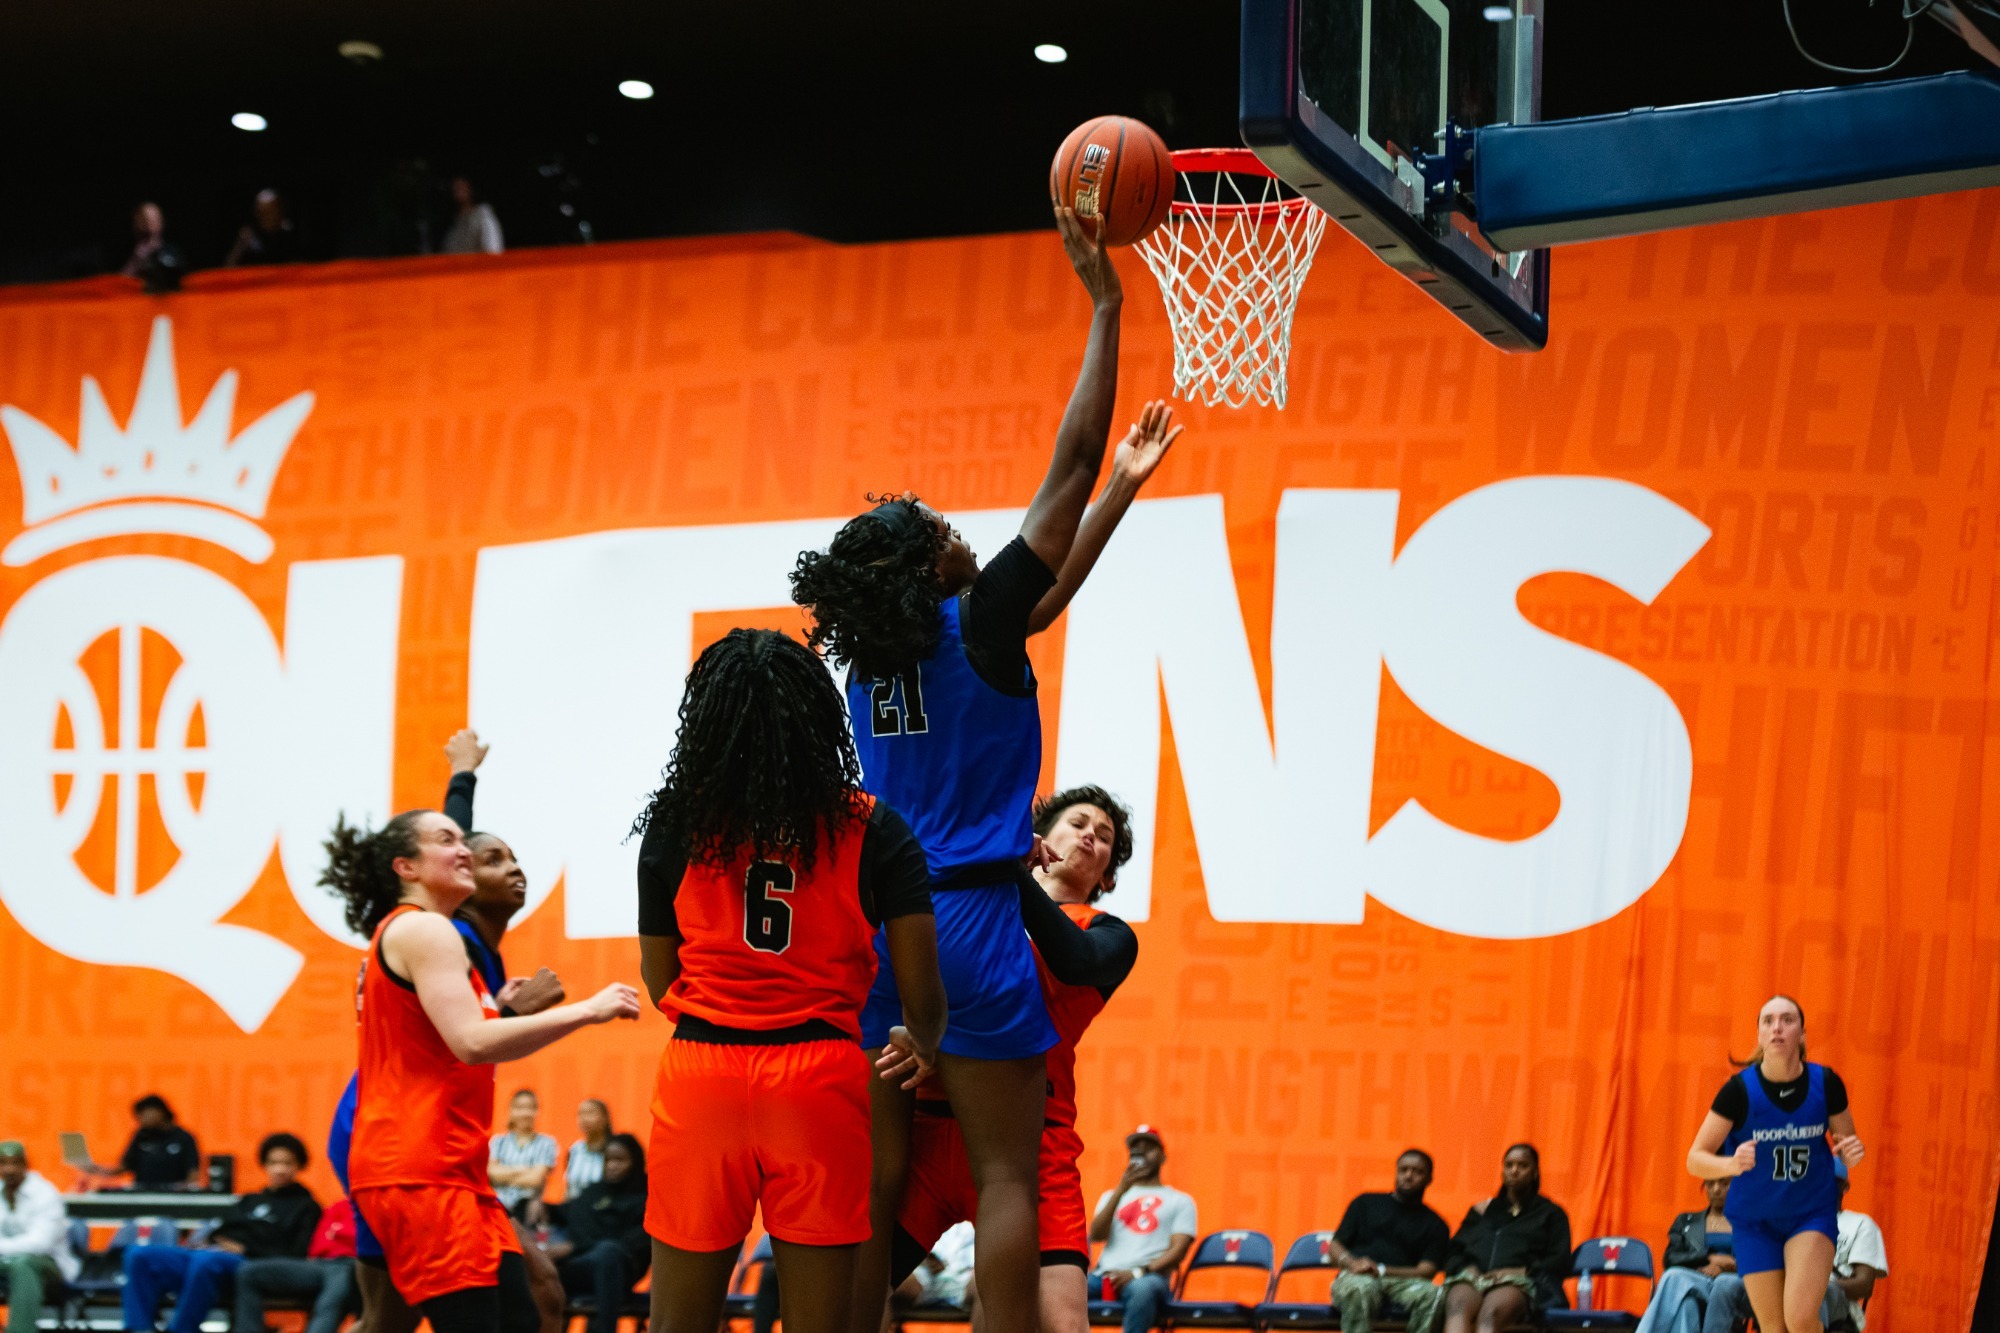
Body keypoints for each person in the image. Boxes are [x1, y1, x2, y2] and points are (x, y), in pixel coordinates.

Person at [790, 201, 1177, 1333]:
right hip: (968, 921)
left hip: (875, 930)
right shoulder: (975, 624)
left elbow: (1050, 590)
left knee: (869, 1193)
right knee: (1007, 1178)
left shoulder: (866, 666)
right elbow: (1064, 466)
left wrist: (1122, 492)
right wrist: (1103, 304)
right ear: (934, 558)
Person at [633, 628, 946, 1333]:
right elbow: (923, 992)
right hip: (819, 1079)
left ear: (709, 715)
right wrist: (922, 1036)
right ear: (818, 714)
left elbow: (660, 980)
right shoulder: (873, 826)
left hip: (701, 1071)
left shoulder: (678, 819)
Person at [323, 803, 640, 1333]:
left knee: (525, 1310)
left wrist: (503, 1010)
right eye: (448, 841)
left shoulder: (424, 935)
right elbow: (471, 1042)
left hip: (451, 1168)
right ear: (407, 867)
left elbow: (453, 1041)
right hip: (417, 1167)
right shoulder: (427, 933)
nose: (463, 849)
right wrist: (589, 1009)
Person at [328, 730, 569, 1333]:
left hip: (431, 1142)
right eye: (492, 858)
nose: (509, 867)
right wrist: (462, 777)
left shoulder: (465, 942)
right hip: (396, 1138)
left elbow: (441, 843)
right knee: (438, 1311)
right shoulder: (438, 930)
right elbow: (465, 1041)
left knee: (424, 1314)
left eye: (511, 857)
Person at [891, 786, 1144, 1333]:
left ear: (1106, 879)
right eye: (1078, 823)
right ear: (1041, 837)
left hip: (1036, 1143)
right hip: (931, 1132)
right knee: (845, 1295)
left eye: (1104, 838)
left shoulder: (1107, 936)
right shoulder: (963, 907)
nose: (1089, 837)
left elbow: (1074, 962)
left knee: (1062, 1326)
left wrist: (1005, 867)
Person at [1685, 995, 1865, 1333]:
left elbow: (1847, 1145)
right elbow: (1695, 1160)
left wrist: (1853, 1153)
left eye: (1787, 1019)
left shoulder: (1826, 1083)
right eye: (1768, 1021)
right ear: (1759, 1034)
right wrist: (1731, 1164)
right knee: (1772, 1326)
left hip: (1810, 1212)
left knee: (1799, 1319)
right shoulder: (1738, 1091)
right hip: (1755, 1220)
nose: (1777, 1027)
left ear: (1802, 1033)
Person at [123, 1134, 321, 1333]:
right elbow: (223, 1229)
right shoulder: (249, 1200)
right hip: (211, 1254)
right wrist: (204, 1241)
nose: (280, 1169)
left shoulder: (306, 1207)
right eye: (274, 1162)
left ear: (299, 1166)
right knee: (139, 1254)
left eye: (287, 1163)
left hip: (249, 1264)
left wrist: (246, 1249)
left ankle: (181, 1329)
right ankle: (141, 1328)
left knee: (206, 1261)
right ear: (265, 1164)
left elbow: (296, 1254)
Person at [1704, 1162, 1885, 1333]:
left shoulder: (1861, 1224)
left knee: (1809, 1292)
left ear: (1845, 1187)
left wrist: (1813, 1283)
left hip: (1832, 1294)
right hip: (1782, 1287)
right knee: (1725, 1284)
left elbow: (1864, 1286)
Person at [1439, 1144, 1572, 1333]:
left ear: (1535, 1172)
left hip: (1518, 1282)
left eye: (1522, 1165)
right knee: (1457, 1308)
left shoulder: (1551, 1214)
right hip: (1472, 1278)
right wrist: (1464, 1267)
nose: (1514, 1171)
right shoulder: (1482, 1210)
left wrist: (1522, 1271)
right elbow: (1453, 1251)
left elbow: (1560, 1260)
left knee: (1490, 1314)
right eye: (1509, 1165)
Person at [1323, 1150, 1451, 1333]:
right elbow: (1335, 1245)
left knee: (1436, 1295)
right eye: (1403, 1169)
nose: (1408, 1175)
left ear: (1429, 1179)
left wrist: (1381, 1270)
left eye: (1417, 1171)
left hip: (1403, 1283)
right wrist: (1352, 1263)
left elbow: (1427, 1270)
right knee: (1362, 1289)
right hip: (1359, 1276)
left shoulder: (1436, 1224)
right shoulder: (1365, 1203)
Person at [1086, 1126, 1198, 1333]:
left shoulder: (1180, 1200)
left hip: (1148, 1276)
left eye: (1149, 1148)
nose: (1142, 1153)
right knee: (1064, 1289)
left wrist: (1138, 1272)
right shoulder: (1112, 1195)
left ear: (1163, 1157)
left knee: (1142, 1290)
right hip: (1104, 1277)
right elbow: (1096, 1235)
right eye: (1136, 1150)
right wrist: (1121, 1189)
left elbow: (1178, 1251)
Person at [544, 1134, 648, 1333]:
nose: (612, 1166)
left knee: (608, 1252)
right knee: (534, 1264)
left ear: (635, 1162)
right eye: (608, 1160)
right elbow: (567, 1212)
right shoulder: (595, 1191)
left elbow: (629, 1244)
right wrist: (537, 1206)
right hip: (582, 1269)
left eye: (619, 1160)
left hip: (620, 1273)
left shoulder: (645, 1198)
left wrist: (575, 1247)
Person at [234, 1196, 359, 1333]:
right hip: (317, 1263)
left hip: (348, 1263)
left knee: (330, 1301)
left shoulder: (369, 1206)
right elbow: (320, 1240)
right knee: (250, 1271)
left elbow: (358, 1240)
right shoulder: (338, 1206)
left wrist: (337, 1232)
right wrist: (339, 1233)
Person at [1635, 1178, 1733, 1333]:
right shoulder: (1686, 1221)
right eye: (1710, 1184)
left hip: (1729, 1286)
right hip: (1694, 1281)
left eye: (1724, 1183)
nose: (1716, 1190)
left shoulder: (1748, 1223)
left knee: (1672, 1276)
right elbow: (1670, 1258)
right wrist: (1708, 1257)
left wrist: (1728, 1266)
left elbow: (1761, 1261)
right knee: (1687, 1306)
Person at [0, 1140, 79, 1333]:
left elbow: (40, 1244)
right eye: (3, 1163)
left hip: (49, 1267)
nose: (9, 1169)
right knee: (19, 1263)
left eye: (15, 1163)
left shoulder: (45, 1193)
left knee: (24, 1264)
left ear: (26, 1165)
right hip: (5, 1263)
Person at [490, 1091, 559, 1220]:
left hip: (527, 1211)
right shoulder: (498, 1142)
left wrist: (503, 1175)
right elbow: (491, 1173)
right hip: (498, 1207)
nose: (525, 1113)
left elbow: (535, 1179)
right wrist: (525, 1169)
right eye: (519, 1108)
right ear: (510, 1110)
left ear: (537, 1111)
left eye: (530, 1108)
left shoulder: (546, 1143)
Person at [115, 1094, 202, 1189]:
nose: (140, 1119)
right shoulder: (141, 1136)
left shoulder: (184, 1138)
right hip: (143, 1195)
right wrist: (101, 1170)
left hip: (174, 1196)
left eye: (144, 1114)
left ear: (160, 1112)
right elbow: (125, 1165)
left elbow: (193, 1172)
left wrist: (187, 1189)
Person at [118, 203, 185, 293]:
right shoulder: (125, 251)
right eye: (144, 219)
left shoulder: (173, 252)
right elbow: (117, 285)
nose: (149, 223)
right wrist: (137, 259)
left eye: (154, 219)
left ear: (161, 222)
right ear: (136, 222)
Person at [226, 190, 303, 266]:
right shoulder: (248, 235)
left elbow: (297, 264)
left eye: (270, 212)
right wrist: (241, 245)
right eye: (262, 212)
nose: (266, 216)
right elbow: (231, 265)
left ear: (279, 211)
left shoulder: (287, 233)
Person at [563, 1100, 613, 1199]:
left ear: (605, 1118)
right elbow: (568, 1189)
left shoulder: (613, 1150)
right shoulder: (575, 1150)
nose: (584, 1119)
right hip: (575, 1210)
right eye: (580, 1114)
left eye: (590, 1113)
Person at [442, 178, 505, 255]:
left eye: (461, 187)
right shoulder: (454, 226)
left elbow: (492, 251)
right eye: (454, 188)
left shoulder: (483, 215)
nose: (457, 191)